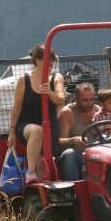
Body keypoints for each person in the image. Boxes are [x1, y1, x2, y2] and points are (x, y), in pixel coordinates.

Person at [8, 44, 66, 183]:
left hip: (50, 126)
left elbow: (60, 101)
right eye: (48, 59)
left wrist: (49, 92)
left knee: (43, 147)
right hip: (26, 125)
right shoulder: (24, 80)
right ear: (37, 61)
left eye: (53, 59)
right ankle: (30, 172)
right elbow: (17, 106)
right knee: (37, 131)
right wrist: (11, 131)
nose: (51, 62)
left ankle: (44, 186)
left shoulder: (56, 78)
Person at [57, 82, 98, 180]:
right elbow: (58, 141)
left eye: (92, 99)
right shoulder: (67, 113)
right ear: (75, 98)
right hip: (79, 157)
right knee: (69, 154)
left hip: (99, 156)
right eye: (85, 100)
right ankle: (74, 191)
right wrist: (73, 140)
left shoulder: (99, 110)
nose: (89, 103)